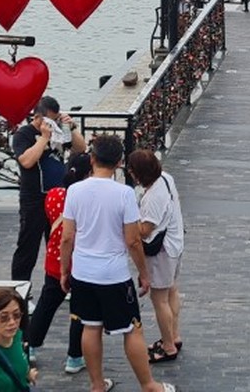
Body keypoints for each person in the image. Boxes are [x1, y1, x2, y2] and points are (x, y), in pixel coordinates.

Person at [59, 135, 175, 392]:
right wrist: (144, 273)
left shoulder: (75, 191)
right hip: (113, 274)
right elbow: (133, 241)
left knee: (90, 327)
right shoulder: (124, 194)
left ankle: (97, 384)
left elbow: (67, 237)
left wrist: (64, 269)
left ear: (92, 159)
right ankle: (148, 385)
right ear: (120, 162)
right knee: (132, 329)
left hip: (84, 271)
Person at [25, 153, 91, 376]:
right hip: (80, 261)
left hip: (55, 259)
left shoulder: (53, 195)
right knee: (79, 311)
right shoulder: (87, 199)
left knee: (46, 304)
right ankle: (74, 356)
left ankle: (31, 346)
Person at [11, 96, 85, 281]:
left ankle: (59, 282)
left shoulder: (60, 131)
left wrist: (72, 128)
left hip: (57, 198)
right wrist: (44, 138)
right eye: (50, 120)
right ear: (38, 118)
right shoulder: (23, 135)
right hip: (34, 198)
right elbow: (26, 162)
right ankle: (20, 291)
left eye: (56, 119)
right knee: (28, 247)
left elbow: (80, 149)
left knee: (60, 244)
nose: (53, 125)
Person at [126, 149, 185, 364]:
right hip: (175, 244)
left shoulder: (152, 199)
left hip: (161, 253)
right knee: (171, 291)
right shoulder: (166, 179)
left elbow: (144, 230)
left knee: (159, 299)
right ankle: (173, 336)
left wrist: (129, 216)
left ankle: (168, 347)